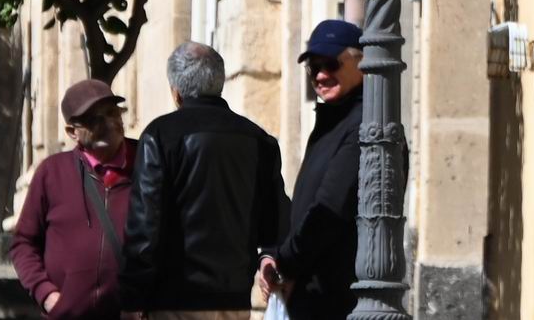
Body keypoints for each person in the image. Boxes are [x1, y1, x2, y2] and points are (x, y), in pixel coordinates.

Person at [120, 43, 282, 320]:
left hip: (175, 300)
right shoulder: (258, 139)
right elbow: (274, 221)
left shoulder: (160, 135)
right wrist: (268, 255)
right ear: (219, 82)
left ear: (176, 91)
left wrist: (133, 297)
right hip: (233, 300)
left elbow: (145, 228)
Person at [257, 20, 364, 320]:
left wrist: (285, 263)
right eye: (313, 67)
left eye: (331, 64)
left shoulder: (362, 126)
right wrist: (273, 256)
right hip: (309, 291)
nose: (320, 75)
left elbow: (327, 210)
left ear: (362, 62)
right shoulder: (330, 122)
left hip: (336, 297)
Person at [7, 82, 138, 320]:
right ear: (72, 132)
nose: (107, 123)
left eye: (111, 112)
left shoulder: (148, 162)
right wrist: (47, 296)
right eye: (93, 119)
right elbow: (23, 243)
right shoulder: (52, 172)